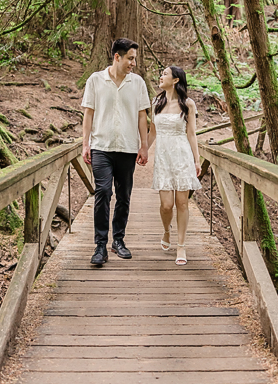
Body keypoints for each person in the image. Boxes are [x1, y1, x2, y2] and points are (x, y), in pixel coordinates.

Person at [81, 38, 150, 266]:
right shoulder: (95, 80)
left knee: (124, 196)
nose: (133, 63)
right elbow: (88, 114)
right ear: (117, 57)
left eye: (135, 59)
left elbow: (142, 116)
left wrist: (144, 145)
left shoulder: (138, 83)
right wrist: (85, 144)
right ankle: (100, 245)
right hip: (101, 146)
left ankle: (118, 240)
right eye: (130, 58)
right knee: (103, 192)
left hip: (128, 148)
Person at [148, 66, 202, 266]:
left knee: (182, 203)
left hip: (182, 157)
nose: (160, 76)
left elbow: (191, 133)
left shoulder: (188, 104)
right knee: (166, 205)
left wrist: (197, 160)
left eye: (164, 74)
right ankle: (166, 230)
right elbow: (152, 132)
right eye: (160, 73)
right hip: (163, 157)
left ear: (176, 80)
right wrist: (143, 149)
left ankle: (181, 245)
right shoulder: (156, 102)